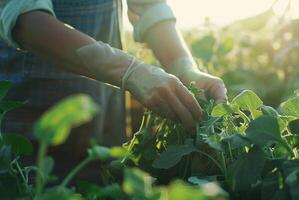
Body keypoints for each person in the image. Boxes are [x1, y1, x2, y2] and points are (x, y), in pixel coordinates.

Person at [0, 0, 227, 181]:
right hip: (32, 128)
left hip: (105, 121)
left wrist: (184, 67)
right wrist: (133, 71)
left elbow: (149, 6)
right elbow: (25, 20)